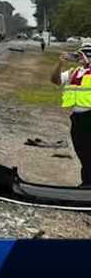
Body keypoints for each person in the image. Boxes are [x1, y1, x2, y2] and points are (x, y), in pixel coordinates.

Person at [50, 40, 91, 186]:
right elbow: (55, 80)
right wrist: (60, 64)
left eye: (88, 55)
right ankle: (86, 183)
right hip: (77, 118)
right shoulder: (74, 72)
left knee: (89, 153)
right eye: (81, 55)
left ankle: (87, 184)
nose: (83, 58)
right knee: (81, 151)